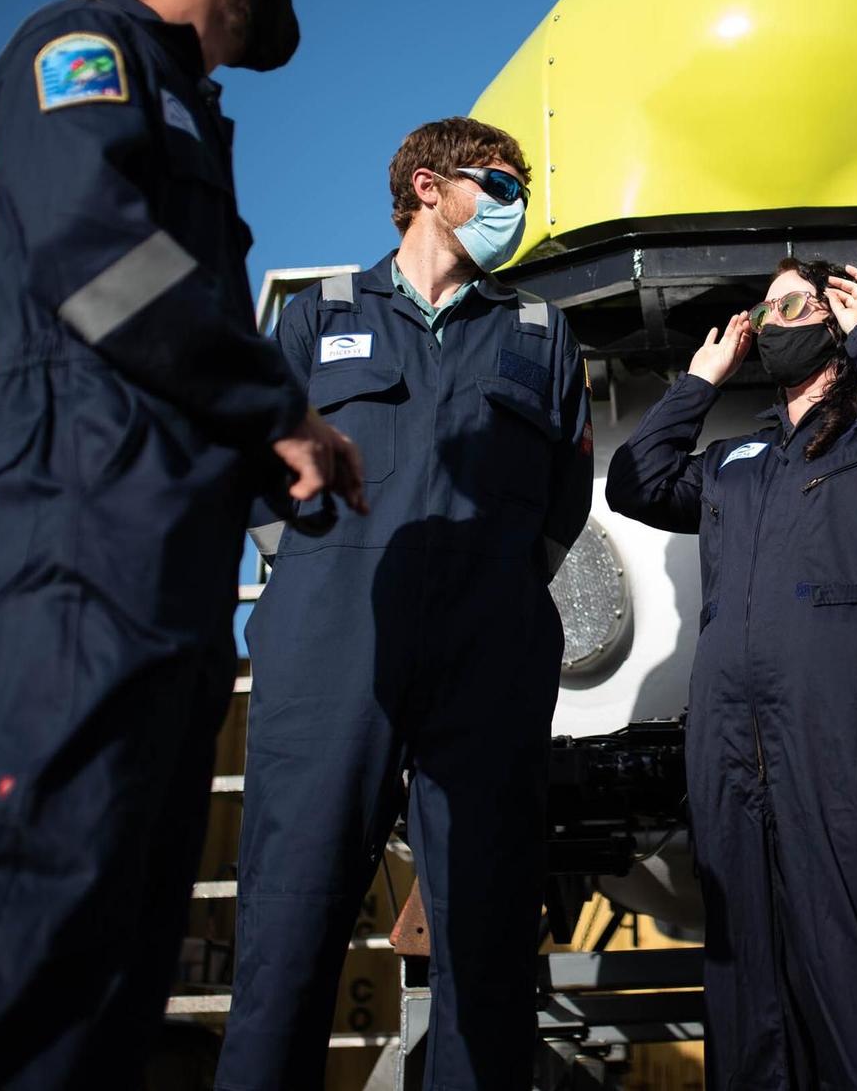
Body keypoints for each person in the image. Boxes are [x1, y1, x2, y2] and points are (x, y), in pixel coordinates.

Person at [0, 0, 364, 1090]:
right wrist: (279, 409)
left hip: (170, 556)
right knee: (46, 891)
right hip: (87, 532)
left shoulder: (189, 101)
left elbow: (175, 329)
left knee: (126, 934)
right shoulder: (82, 48)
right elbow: (98, 265)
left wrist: (266, 451)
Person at [217, 118, 592, 1091]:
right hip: (330, 648)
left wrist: (488, 586)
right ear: (428, 187)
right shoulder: (315, 316)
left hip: (490, 658)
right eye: (498, 185)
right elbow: (260, 481)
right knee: (288, 926)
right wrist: (331, 572)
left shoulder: (540, 335)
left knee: (487, 937)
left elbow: (561, 506)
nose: (516, 206)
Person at [606, 259, 857, 1089]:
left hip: (846, 730)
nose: (770, 319)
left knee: (854, 963)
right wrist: (700, 380)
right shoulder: (738, 457)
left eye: (791, 302)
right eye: (762, 306)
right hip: (734, 741)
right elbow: (636, 481)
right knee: (746, 978)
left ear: (836, 317)